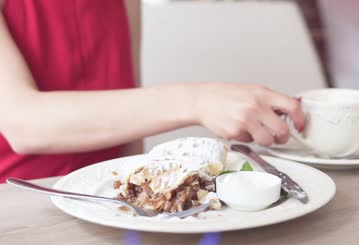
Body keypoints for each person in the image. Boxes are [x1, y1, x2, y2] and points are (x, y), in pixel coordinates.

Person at [0, 0, 305, 183]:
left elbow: (129, 116)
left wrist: (136, 190)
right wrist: (198, 100)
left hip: (101, 193)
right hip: (18, 204)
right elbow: (24, 124)